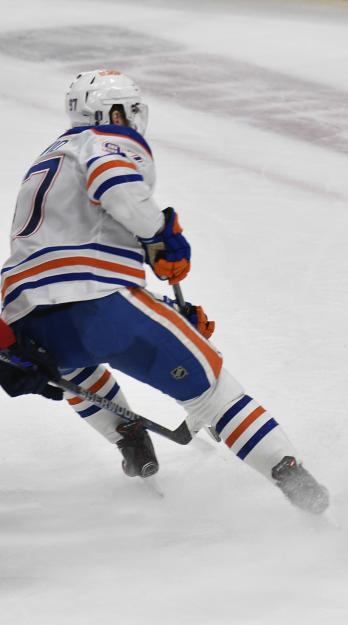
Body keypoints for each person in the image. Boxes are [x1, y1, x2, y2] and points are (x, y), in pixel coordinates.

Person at [0, 70, 329, 514]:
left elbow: (66, 256)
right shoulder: (106, 139)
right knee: (212, 393)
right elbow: (116, 189)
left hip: (24, 315)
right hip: (104, 302)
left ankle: (127, 436)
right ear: (116, 111)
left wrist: (159, 308)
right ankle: (292, 476)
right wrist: (160, 235)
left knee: (75, 368)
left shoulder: (45, 159)